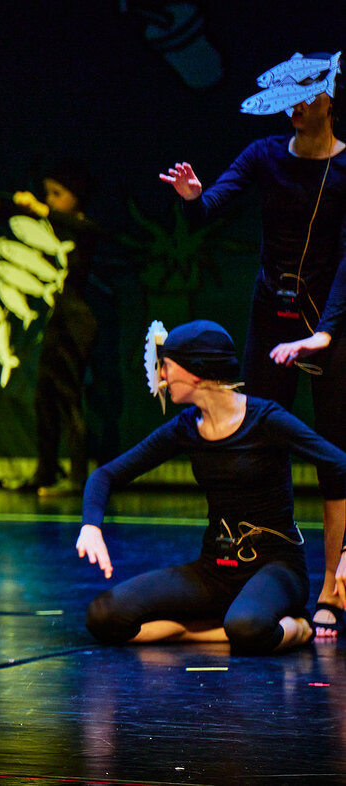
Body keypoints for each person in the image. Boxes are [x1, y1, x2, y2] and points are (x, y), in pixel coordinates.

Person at [160, 51, 346, 637]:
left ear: (328, 98)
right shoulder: (264, 154)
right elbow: (213, 204)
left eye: (305, 95)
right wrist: (193, 197)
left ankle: (333, 587)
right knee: (257, 440)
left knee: (332, 455)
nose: (294, 107)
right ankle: (260, 571)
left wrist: (325, 332)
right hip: (272, 315)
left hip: (330, 320)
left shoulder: (345, 168)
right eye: (287, 96)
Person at [78, 320, 346, 654]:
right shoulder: (185, 428)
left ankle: (300, 626)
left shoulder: (266, 420)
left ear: (196, 373)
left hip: (276, 568)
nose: (161, 376)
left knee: (247, 627)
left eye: (167, 366)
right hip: (215, 570)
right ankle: (210, 633)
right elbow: (105, 476)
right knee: (104, 616)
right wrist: (91, 525)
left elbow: (340, 464)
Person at [0, 161, 101, 495]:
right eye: (48, 194)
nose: (51, 200)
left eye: (57, 194)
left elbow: (77, 226)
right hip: (54, 325)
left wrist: (41, 208)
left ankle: (78, 476)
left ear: (75, 197)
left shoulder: (82, 228)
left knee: (70, 397)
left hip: (75, 325)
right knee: (44, 396)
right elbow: (18, 221)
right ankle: (46, 470)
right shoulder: (49, 228)